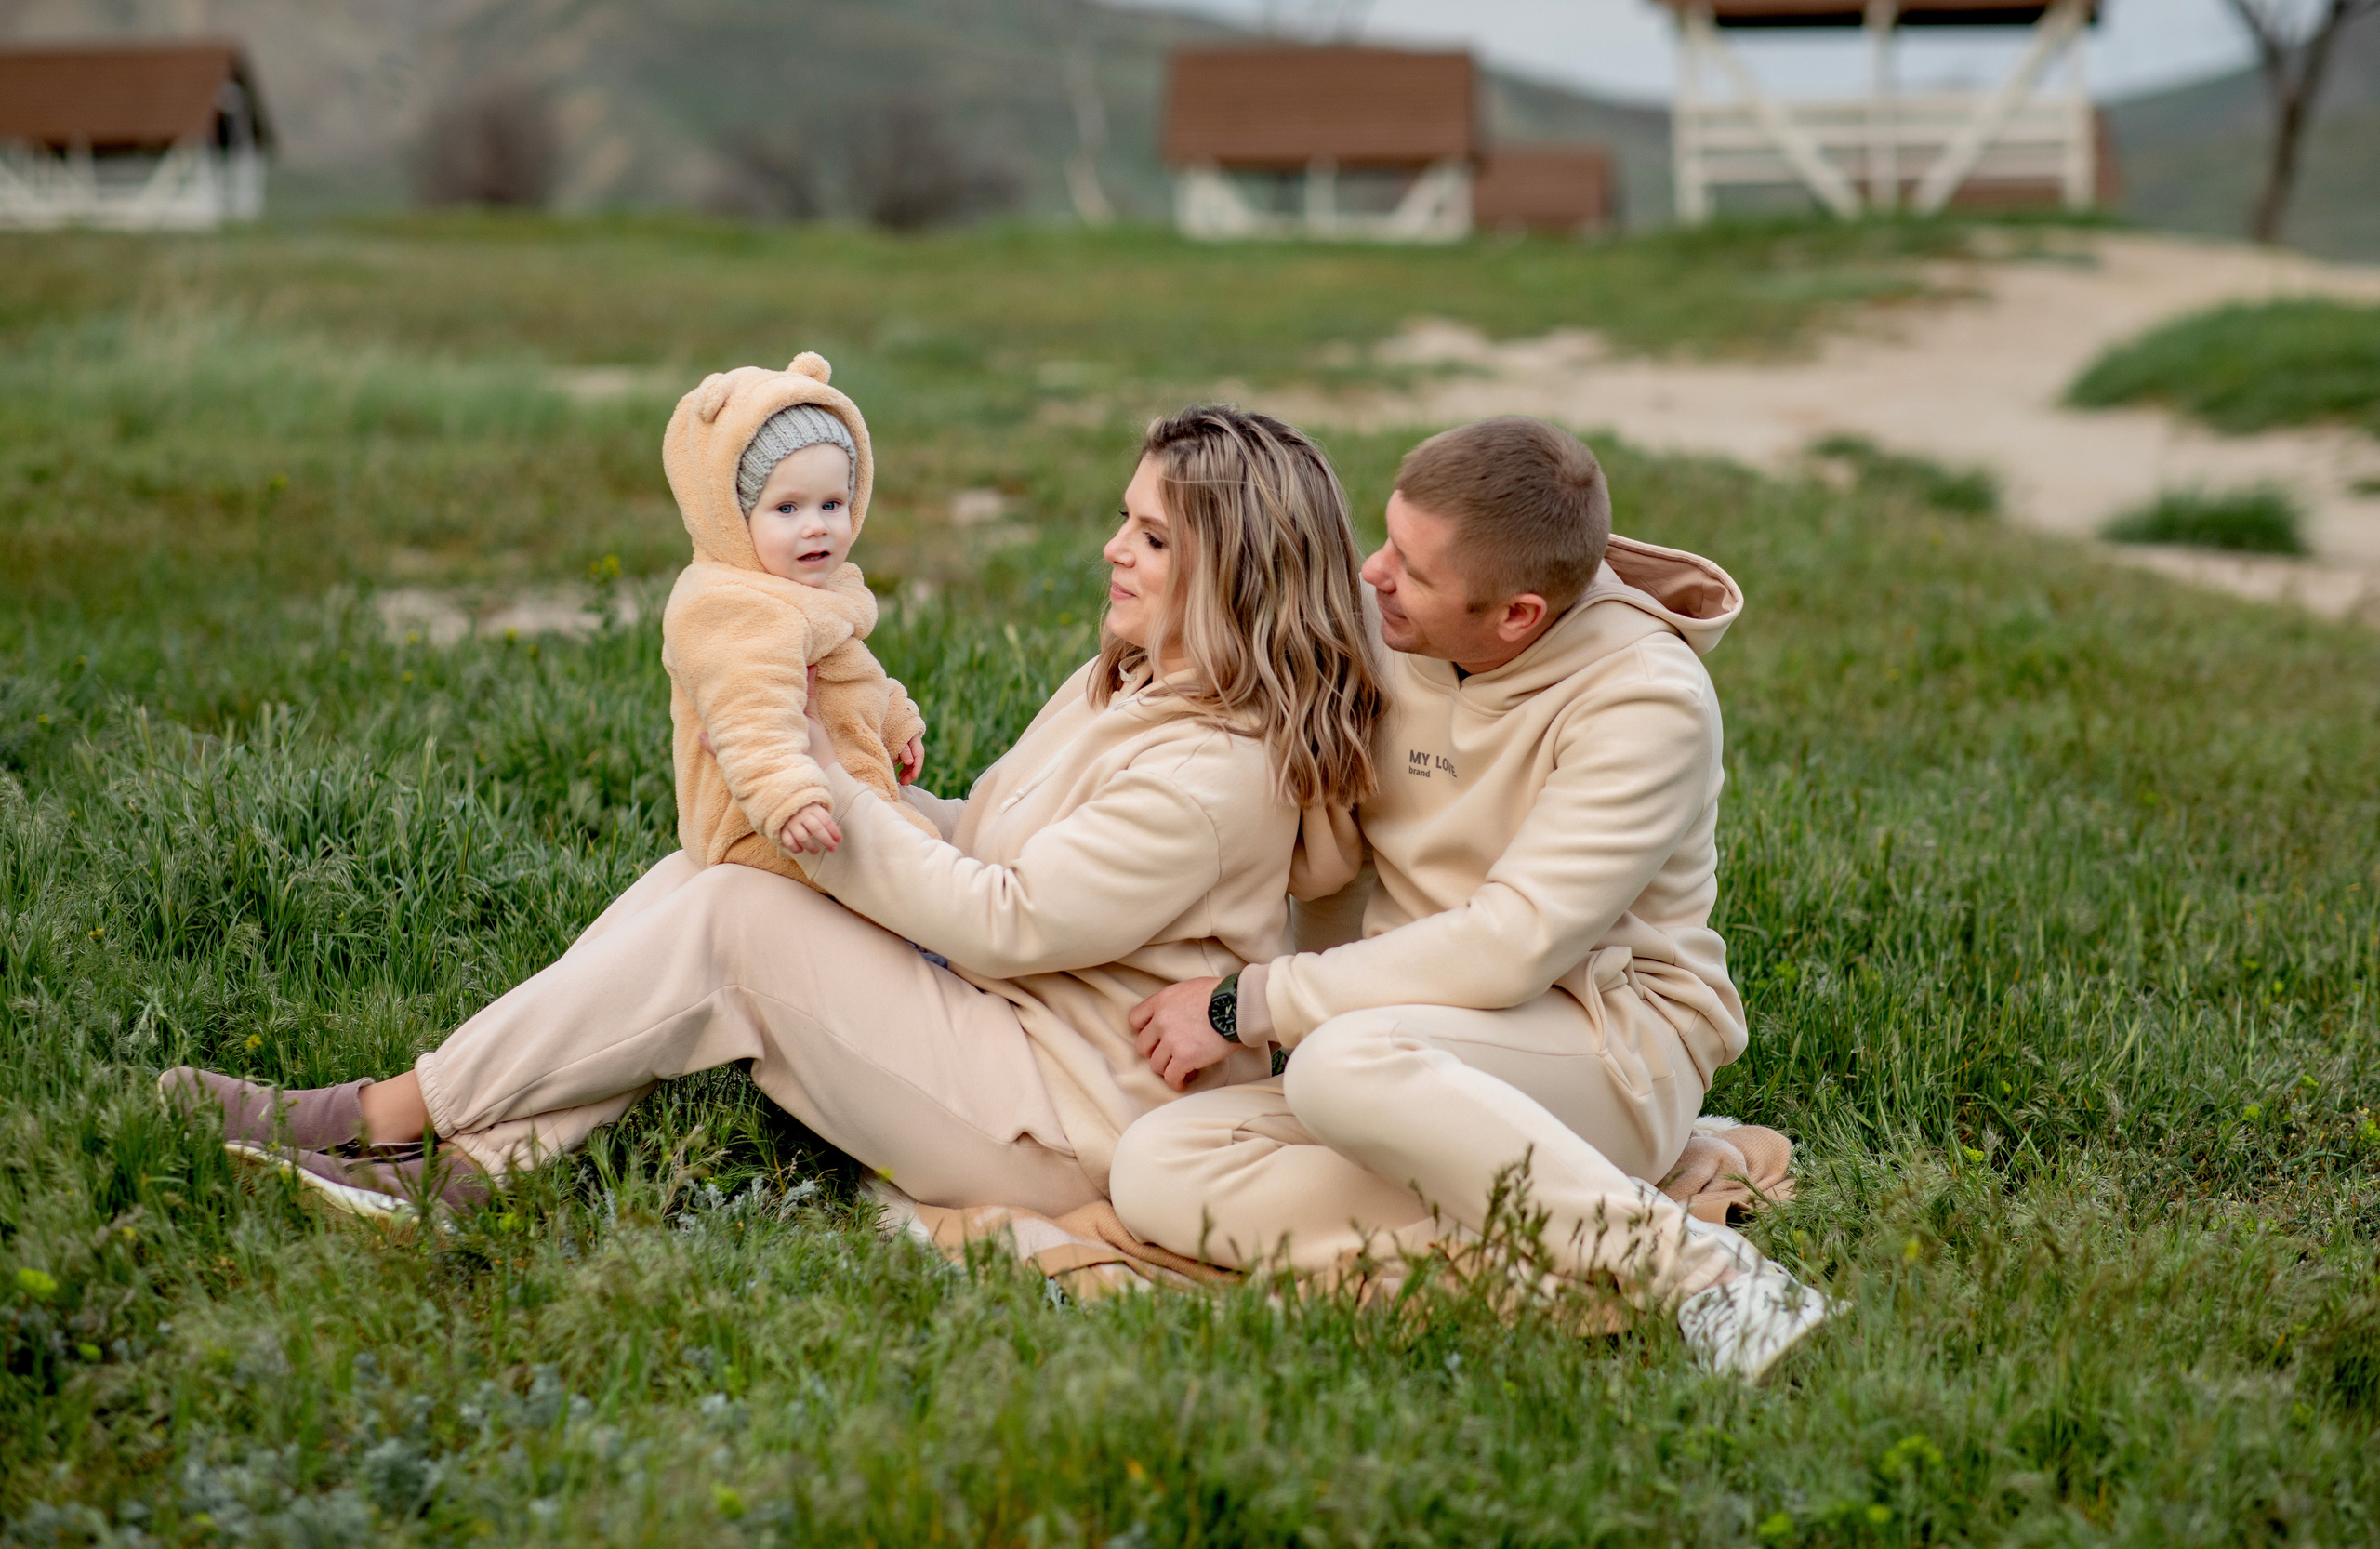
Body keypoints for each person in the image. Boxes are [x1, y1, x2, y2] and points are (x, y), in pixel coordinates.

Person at [160, 405, 1384, 1228]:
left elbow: (1010, 922)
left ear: (1232, 573)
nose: (1112, 548)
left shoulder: (1220, 774)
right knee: (710, 871)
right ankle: (471, 1169)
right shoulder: (1130, 674)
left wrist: (823, 787)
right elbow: (1007, 845)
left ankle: (378, 1116)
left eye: (1153, 536)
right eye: (1125, 515)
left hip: (1055, 1121)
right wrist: (890, 800)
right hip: (994, 1030)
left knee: (742, 914)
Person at [1110, 417, 1837, 1380]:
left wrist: (1246, 1003)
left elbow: (1509, 946)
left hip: (1610, 1047)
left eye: (1410, 571)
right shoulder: (1396, 629)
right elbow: (1325, 867)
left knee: (1338, 1065)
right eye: (1385, 539)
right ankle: (1551, 1228)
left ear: (1517, 617)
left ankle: (1701, 1273)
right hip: (1404, 1045)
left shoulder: (1645, 701)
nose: (1370, 575)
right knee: (1154, 1165)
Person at [660, 351, 928, 877]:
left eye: (832, 504)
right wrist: (788, 798)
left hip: (825, 787)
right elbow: (749, 715)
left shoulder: (804, 587)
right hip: (757, 825)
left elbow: (844, 669)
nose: (816, 527)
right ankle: (925, 948)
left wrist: (892, 717)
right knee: (911, 863)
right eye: (787, 508)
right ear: (731, 515)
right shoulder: (730, 608)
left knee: (915, 848)